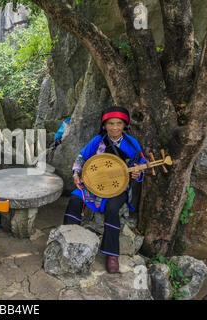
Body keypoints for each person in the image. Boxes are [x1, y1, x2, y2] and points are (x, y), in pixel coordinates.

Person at [63, 106, 146, 273]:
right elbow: (81, 157)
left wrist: (137, 173)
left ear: (125, 125)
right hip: (94, 184)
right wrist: (76, 173)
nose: (115, 127)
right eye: (110, 124)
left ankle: (112, 254)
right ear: (105, 125)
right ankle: (68, 237)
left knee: (112, 208)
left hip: (118, 187)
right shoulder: (98, 141)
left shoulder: (131, 144)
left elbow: (140, 166)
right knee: (75, 199)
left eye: (119, 123)